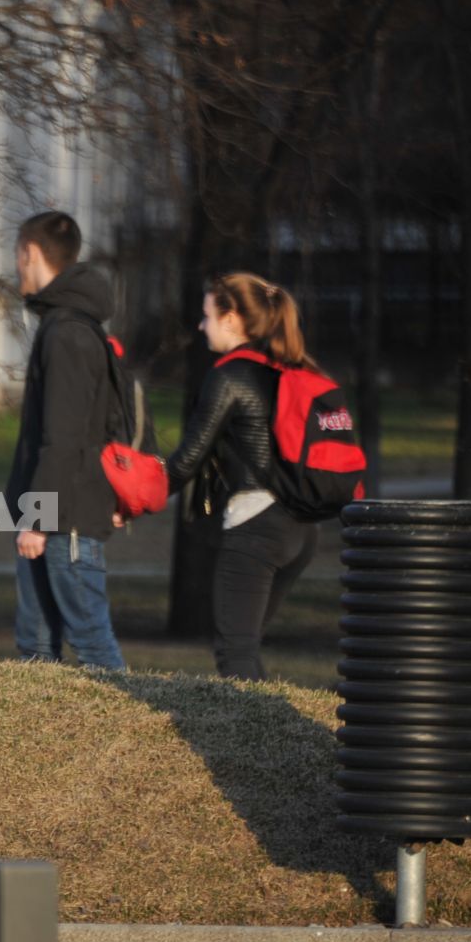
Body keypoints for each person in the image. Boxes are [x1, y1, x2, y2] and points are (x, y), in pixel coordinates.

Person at [164, 273, 319, 680]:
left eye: (207, 316)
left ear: (231, 318)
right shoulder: (282, 368)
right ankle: (271, 734)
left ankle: (262, 741)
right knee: (245, 648)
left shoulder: (228, 375)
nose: (201, 326)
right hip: (300, 528)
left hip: (258, 526)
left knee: (235, 655)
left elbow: (186, 461)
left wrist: (128, 502)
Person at [4, 210, 127, 670]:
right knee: (35, 650)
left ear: (31, 253)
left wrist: (38, 517)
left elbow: (65, 436)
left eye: (18, 256)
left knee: (93, 645)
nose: (16, 266)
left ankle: (131, 732)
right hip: (50, 517)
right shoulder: (64, 326)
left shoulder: (69, 334)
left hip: (63, 522)